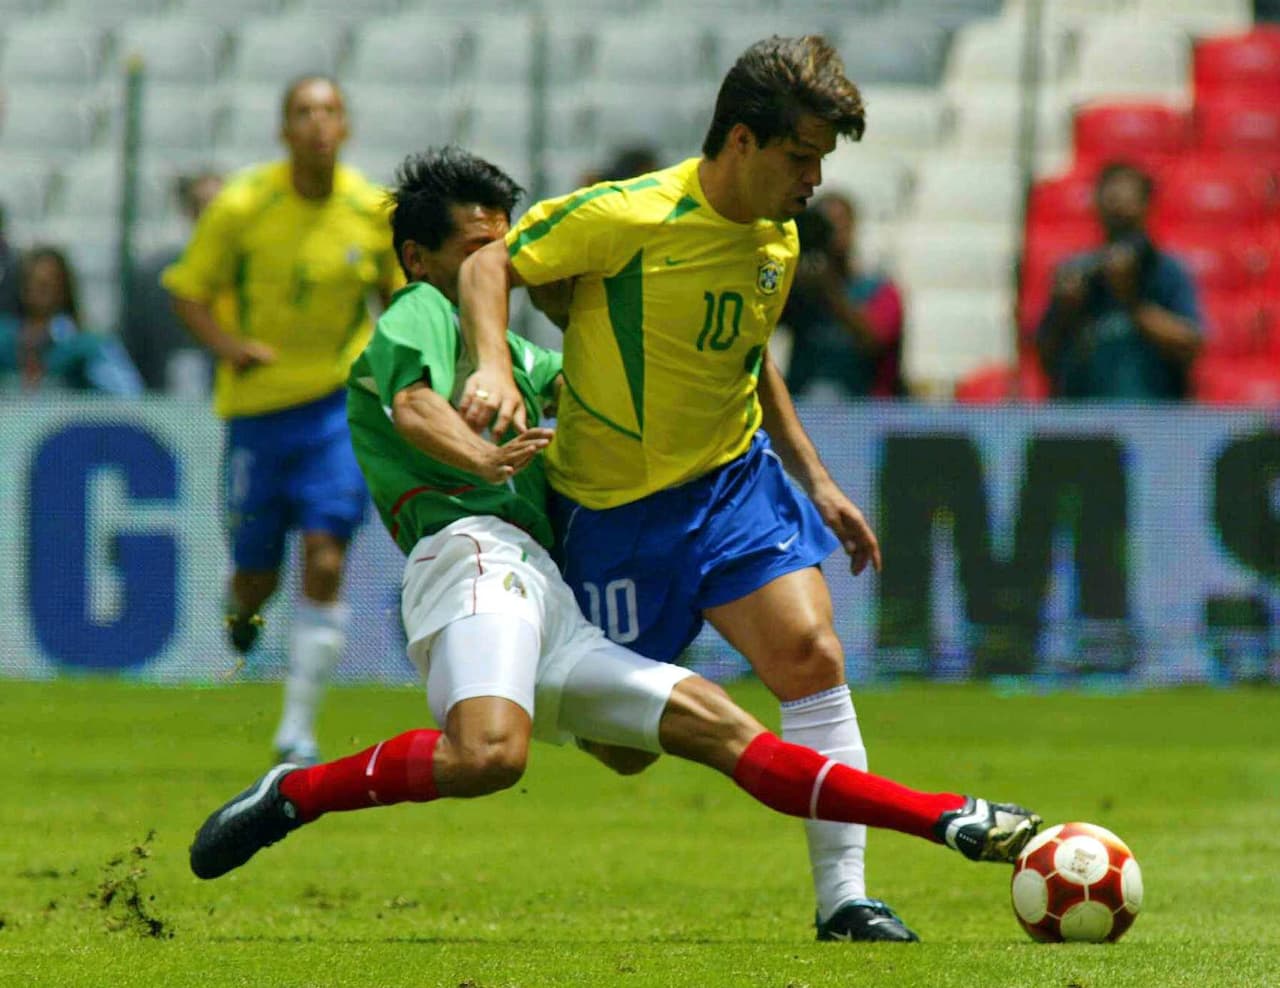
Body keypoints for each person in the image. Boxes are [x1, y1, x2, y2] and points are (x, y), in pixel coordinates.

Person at [188, 147, 1041, 896]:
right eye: (480, 248)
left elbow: (693, 378)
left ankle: (950, 820)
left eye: (507, 239)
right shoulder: (421, 313)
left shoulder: (530, 360)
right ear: (419, 257)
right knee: (491, 757)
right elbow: (414, 407)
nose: (504, 260)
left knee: (715, 728)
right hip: (473, 556)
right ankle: (296, 792)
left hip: (545, 591)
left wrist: (783, 455)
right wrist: (481, 459)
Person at [457, 36, 920, 941]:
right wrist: (495, 368)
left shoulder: (778, 239)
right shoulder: (629, 214)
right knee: (620, 752)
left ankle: (846, 900)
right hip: (615, 512)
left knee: (811, 657)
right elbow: (488, 264)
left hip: (732, 483)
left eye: (823, 160)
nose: (814, 179)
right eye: (801, 156)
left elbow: (748, 360)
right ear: (741, 141)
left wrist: (815, 479)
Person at [163, 75, 403, 765]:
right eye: (304, 113)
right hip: (260, 413)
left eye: (329, 112)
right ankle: (240, 610)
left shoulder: (368, 210)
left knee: (325, 557)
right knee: (255, 579)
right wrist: (229, 347)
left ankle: (296, 729)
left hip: (336, 408)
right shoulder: (243, 205)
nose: (318, 125)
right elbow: (188, 291)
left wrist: (398, 373)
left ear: (346, 126)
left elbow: (399, 298)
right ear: (284, 130)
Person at [1037, 161, 1203, 399]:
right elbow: (1046, 355)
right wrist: (1065, 311)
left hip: (1154, 419)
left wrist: (1131, 299)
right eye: (1110, 196)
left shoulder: (1165, 269)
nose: (1117, 205)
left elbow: (1189, 344)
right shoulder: (1077, 270)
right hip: (1085, 417)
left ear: (1146, 205)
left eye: (1126, 198)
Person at [783, 192, 904, 398]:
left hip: (862, 409)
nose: (833, 233)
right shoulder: (798, 288)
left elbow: (873, 341)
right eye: (825, 225)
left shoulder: (880, 289)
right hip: (801, 404)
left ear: (853, 228)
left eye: (840, 224)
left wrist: (829, 290)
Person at [124, 169, 224, 395]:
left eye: (219, 208)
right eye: (202, 207)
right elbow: (135, 342)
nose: (210, 216)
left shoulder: (249, 273)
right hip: (166, 401)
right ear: (188, 211)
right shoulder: (154, 277)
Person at [0, 246, 143, 395]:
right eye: (33, 283)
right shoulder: (5, 338)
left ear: (63, 289)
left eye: (47, 286)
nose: (38, 292)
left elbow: (128, 394)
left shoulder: (87, 345)